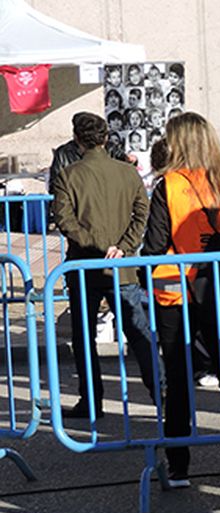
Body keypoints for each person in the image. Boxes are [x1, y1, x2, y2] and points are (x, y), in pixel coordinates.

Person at [143, 111, 220, 488]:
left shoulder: (169, 185)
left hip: (177, 295)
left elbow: (156, 245)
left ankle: (178, 467)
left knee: (178, 379)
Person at [50, 112, 160, 419]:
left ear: (77, 140)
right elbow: (142, 212)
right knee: (138, 333)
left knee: (85, 337)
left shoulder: (68, 174)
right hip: (121, 265)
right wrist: (123, 246)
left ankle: (91, 400)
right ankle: (161, 392)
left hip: (84, 265)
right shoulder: (127, 173)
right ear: (106, 138)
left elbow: (64, 219)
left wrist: (96, 247)